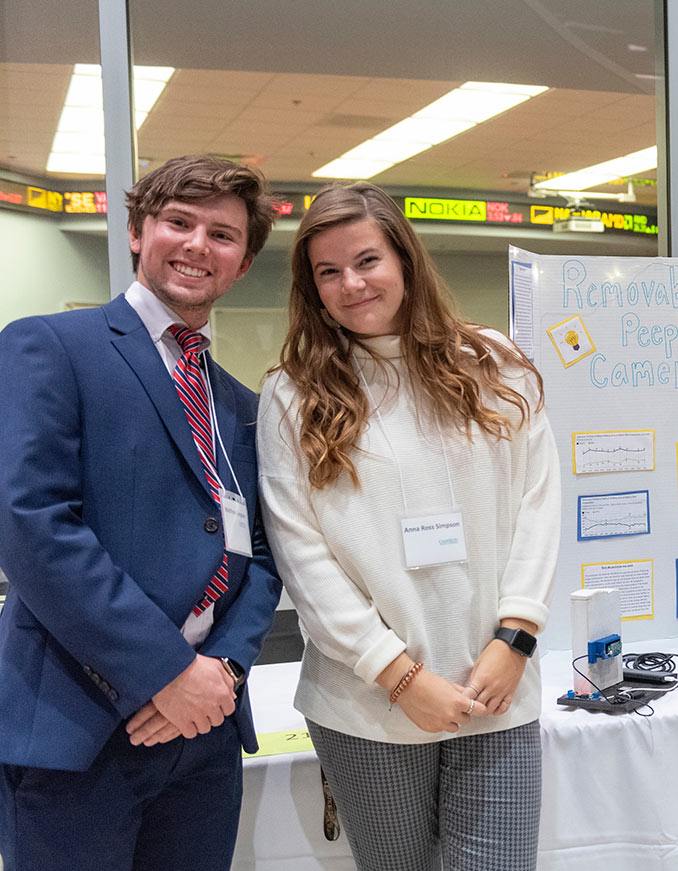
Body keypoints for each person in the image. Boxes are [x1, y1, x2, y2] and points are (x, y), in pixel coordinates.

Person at [257, 182, 559, 870]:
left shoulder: (493, 364)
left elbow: (540, 504)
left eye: (366, 260)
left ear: (406, 260)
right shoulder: (293, 392)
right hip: (366, 701)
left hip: (497, 687)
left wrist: (516, 637)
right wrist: (397, 676)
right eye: (327, 272)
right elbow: (302, 556)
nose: (350, 284)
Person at [0, 154, 284, 869]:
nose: (196, 245)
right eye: (178, 222)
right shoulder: (52, 347)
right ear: (136, 231)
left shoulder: (241, 406)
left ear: (243, 262)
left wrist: (219, 670)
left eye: (221, 234)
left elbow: (264, 552)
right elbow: (30, 522)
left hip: (205, 737)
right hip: (79, 727)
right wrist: (166, 671)